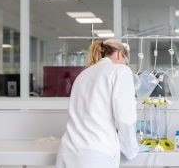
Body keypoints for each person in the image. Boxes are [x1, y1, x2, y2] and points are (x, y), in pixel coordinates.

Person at [56, 39, 139, 168]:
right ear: (118, 54)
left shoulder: (83, 74)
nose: (126, 65)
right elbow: (125, 120)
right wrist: (132, 151)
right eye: (126, 62)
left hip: (68, 151)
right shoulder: (121, 71)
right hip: (96, 155)